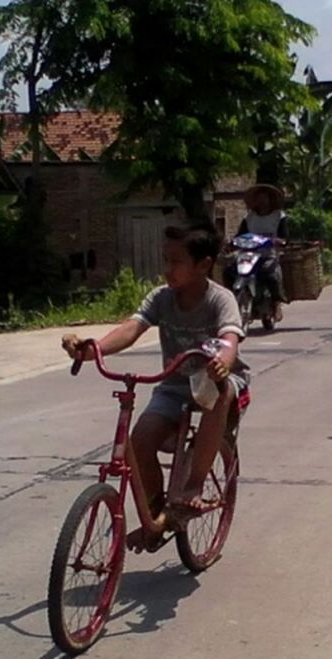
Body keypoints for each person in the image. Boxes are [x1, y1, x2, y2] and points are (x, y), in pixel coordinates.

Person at [61, 222, 249, 551]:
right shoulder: (161, 298)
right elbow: (131, 328)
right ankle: (158, 512)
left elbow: (230, 338)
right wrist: (94, 350)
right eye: (166, 260)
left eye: (176, 262)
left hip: (213, 381)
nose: (168, 269)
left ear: (203, 265)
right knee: (139, 443)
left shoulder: (221, 299)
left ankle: (192, 486)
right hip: (175, 386)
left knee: (221, 393)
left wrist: (224, 357)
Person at [233, 184, 289, 320]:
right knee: (229, 272)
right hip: (248, 255)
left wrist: (278, 241)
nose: (261, 201)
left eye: (264, 198)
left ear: (270, 199)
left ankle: (276, 304)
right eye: (259, 198)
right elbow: (240, 235)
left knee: (271, 276)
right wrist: (231, 244)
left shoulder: (279, 216)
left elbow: (285, 237)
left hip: (269, 255)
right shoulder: (249, 218)